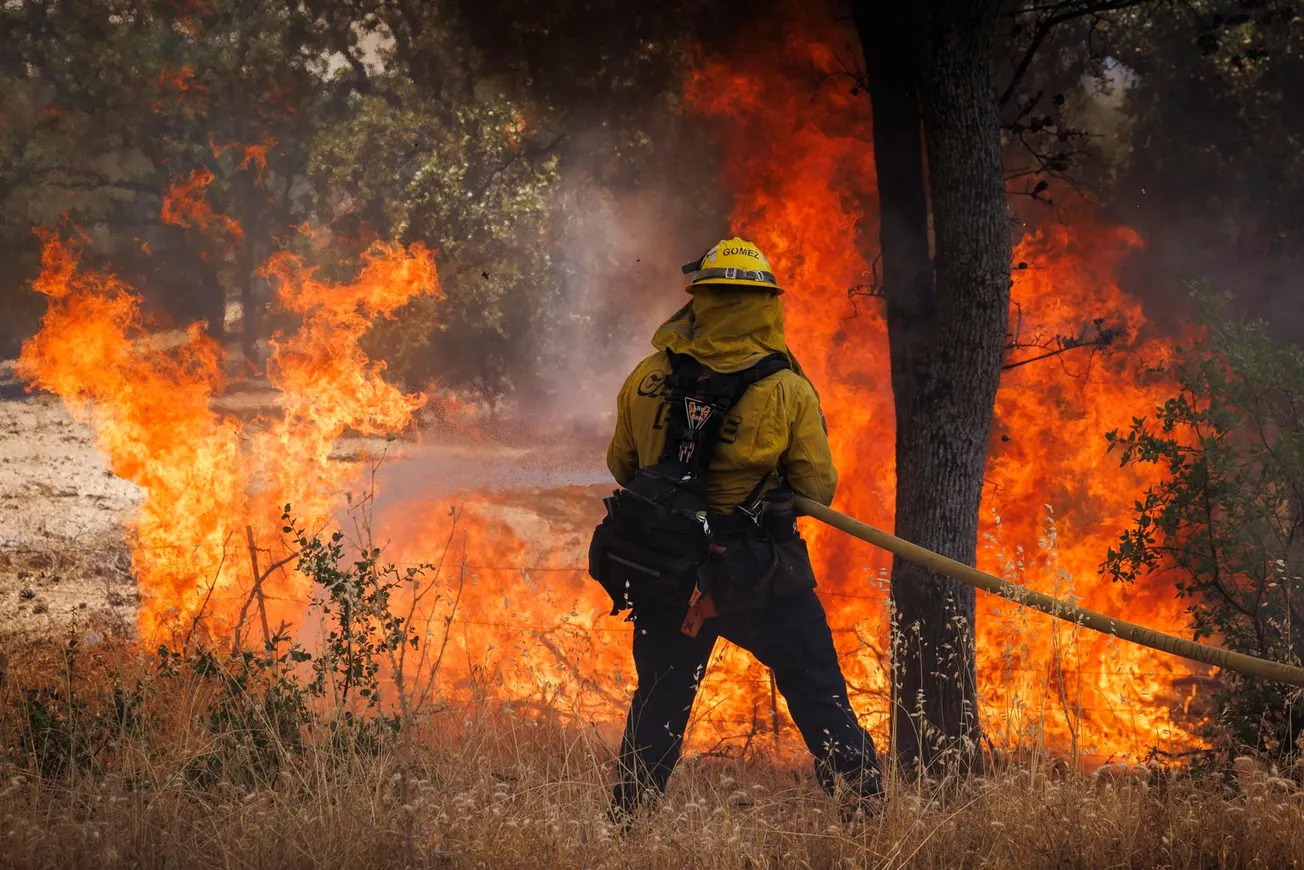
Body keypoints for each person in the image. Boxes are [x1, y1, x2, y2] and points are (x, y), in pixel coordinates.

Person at [603, 237, 883, 823]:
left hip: (665, 570)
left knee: (658, 700)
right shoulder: (785, 390)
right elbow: (817, 487)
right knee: (816, 689)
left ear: (698, 302)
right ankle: (866, 820)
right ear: (765, 304)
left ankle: (625, 824)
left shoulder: (647, 376)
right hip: (754, 572)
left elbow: (622, 467)